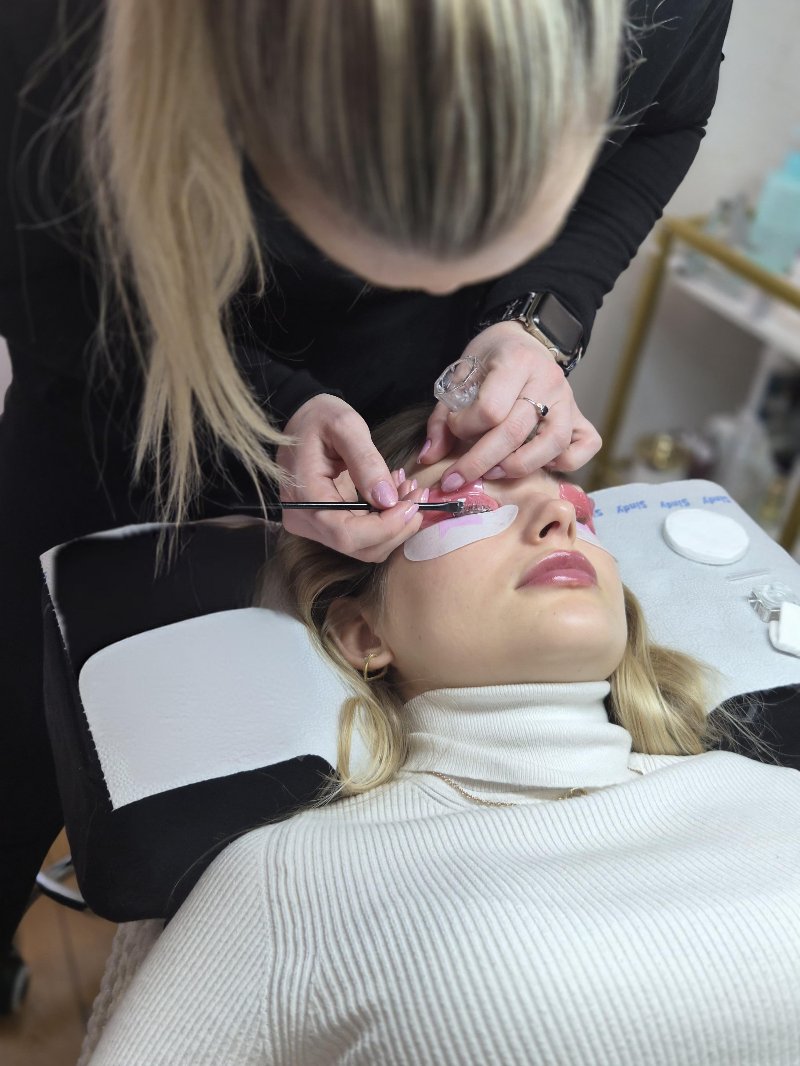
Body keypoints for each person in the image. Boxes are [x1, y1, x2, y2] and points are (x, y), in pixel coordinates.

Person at [0, 0, 735, 971]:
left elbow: (666, 123)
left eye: (532, 490)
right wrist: (265, 410)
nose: (556, 504)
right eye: (476, 503)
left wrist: (537, 319)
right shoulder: (59, 38)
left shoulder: (667, 16)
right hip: (117, 381)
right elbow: (44, 280)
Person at [83, 404, 800, 1065]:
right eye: (464, 506)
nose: (559, 514)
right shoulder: (293, 880)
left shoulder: (772, 798)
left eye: (580, 512)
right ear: (363, 632)